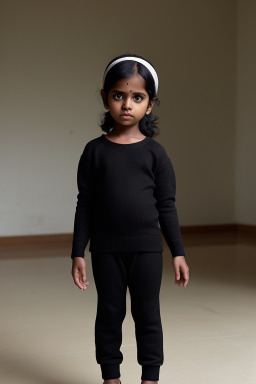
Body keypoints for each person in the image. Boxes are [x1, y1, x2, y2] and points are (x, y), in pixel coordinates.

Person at [70, 53, 190, 384]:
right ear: (105, 98)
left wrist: (177, 251)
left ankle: (150, 378)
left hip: (147, 251)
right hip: (106, 250)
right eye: (119, 95)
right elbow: (86, 204)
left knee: (147, 315)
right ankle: (111, 378)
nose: (127, 104)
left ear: (149, 105)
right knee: (110, 314)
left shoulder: (156, 154)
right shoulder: (94, 152)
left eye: (137, 97)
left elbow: (166, 205)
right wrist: (78, 251)